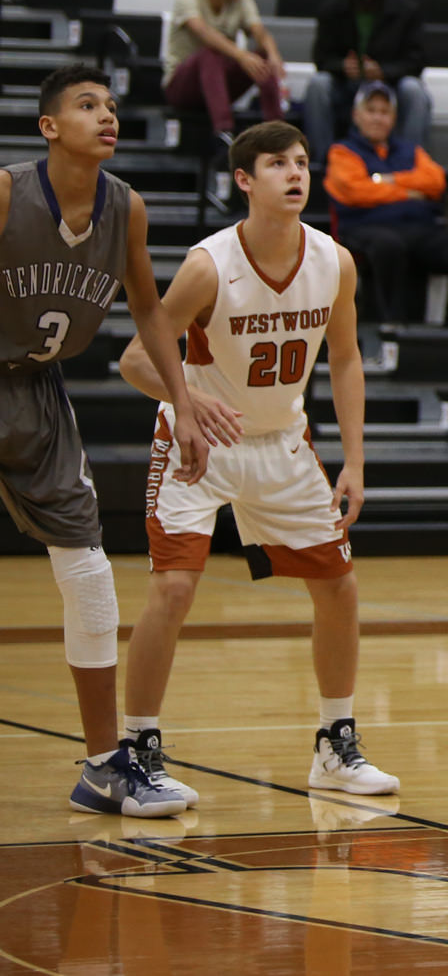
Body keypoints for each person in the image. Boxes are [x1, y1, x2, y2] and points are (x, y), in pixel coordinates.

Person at [119, 121, 399, 804]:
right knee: (174, 588)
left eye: (301, 162)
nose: (295, 173)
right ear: (245, 180)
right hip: (199, 444)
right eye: (278, 163)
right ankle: (137, 746)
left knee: (338, 585)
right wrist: (186, 402)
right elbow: (133, 360)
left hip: (283, 443)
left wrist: (355, 460)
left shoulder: (335, 261)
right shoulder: (209, 264)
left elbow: (346, 357)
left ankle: (336, 743)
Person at [0, 65, 213, 817]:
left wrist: (183, 404)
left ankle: (102, 767)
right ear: (49, 127)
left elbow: (152, 315)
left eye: (113, 105)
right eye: (87, 105)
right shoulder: (6, 193)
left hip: (36, 393)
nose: (107, 115)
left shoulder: (128, 208)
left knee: (89, 569)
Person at [325, 81, 448, 331]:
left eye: (384, 111)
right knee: (388, 245)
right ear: (357, 115)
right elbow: (354, 190)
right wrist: (409, 190)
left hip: (419, 228)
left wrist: (384, 180)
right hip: (365, 225)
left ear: (394, 118)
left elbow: (436, 181)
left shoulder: (411, 150)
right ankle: (392, 327)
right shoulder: (342, 152)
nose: (378, 118)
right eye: (371, 110)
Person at [304, 0, 431, 162]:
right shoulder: (331, 9)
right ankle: (322, 161)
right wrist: (342, 66)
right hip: (345, 84)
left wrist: (384, 71)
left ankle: (411, 161)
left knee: (414, 90)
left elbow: (417, 61)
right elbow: (321, 58)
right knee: (318, 84)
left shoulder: (407, 11)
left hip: (390, 85)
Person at [164, 0, 286, 150]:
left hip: (219, 85)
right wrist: (241, 55)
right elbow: (204, 33)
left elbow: (259, 32)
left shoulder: (243, 0)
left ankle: (278, 132)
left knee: (262, 54)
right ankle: (224, 132)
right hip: (182, 87)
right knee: (210, 54)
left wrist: (273, 55)